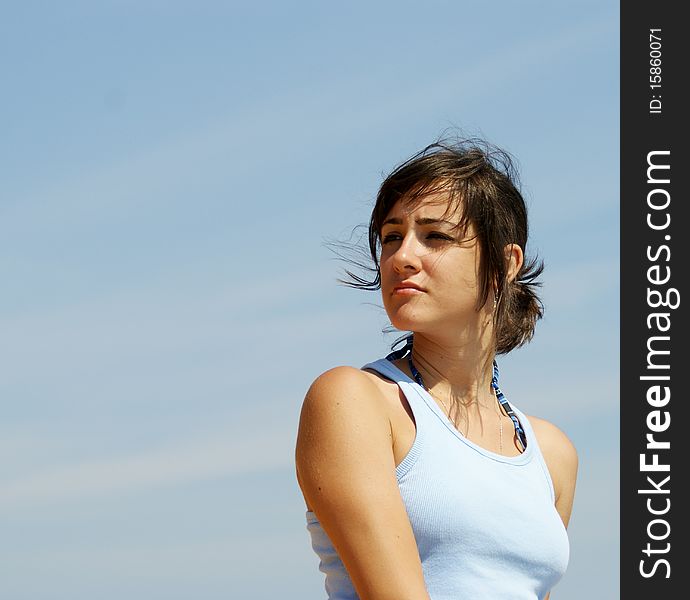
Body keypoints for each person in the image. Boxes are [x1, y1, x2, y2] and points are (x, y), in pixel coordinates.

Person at [294, 137, 578, 600]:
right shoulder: (355, 400)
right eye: (391, 237)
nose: (402, 257)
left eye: (436, 236)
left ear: (506, 263)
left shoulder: (551, 453)